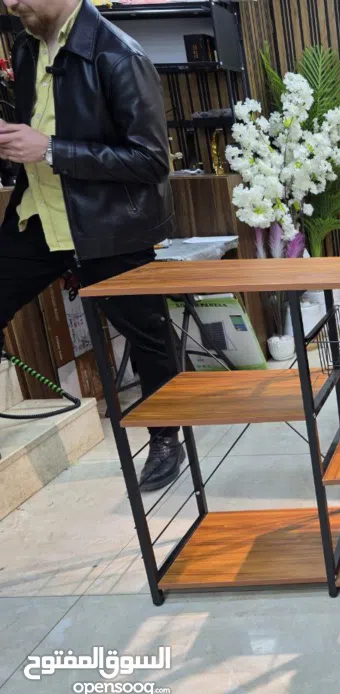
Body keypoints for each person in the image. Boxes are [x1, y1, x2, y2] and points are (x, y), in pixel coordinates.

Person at [0, 0, 184, 491]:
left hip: (110, 225)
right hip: (38, 216)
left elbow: (151, 160)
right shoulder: (26, 48)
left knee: (145, 334)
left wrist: (50, 149)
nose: (10, 3)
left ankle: (166, 437)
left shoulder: (119, 55)